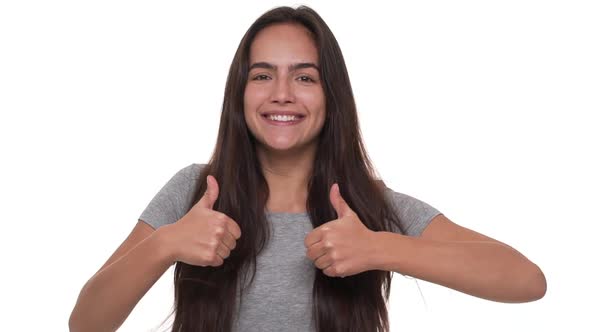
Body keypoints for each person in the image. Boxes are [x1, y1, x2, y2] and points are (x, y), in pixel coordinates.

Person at [69, 5, 546, 332]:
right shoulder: (194, 191)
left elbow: (526, 280)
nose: (282, 93)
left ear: (330, 95)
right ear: (240, 94)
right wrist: (166, 243)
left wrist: (380, 248)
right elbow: (86, 322)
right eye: (262, 75)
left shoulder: (367, 207)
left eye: (304, 77)